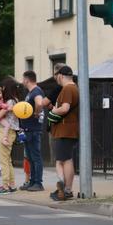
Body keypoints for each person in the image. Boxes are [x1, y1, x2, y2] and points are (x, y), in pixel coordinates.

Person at [48, 65, 79, 201]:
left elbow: (65, 108)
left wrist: (54, 111)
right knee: (66, 159)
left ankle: (64, 188)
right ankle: (66, 188)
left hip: (64, 129)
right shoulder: (75, 88)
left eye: (56, 76)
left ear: (60, 76)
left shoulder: (67, 88)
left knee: (63, 160)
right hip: (69, 129)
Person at [0, 80, 20, 195]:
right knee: (8, 160)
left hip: (6, 132)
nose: (2, 90)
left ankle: (5, 186)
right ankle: (12, 184)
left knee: (3, 160)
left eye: (3, 88)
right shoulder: (15, 100)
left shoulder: (9, 101)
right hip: (11, 131)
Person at [20, 70, 45, 191]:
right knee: (30, 157)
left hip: (33, 130)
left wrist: (36, 112)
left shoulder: (36, 91)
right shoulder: (31, 92)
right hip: (28, 129)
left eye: (23, 79)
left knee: (35, 157)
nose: (22, 81)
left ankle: (38, 183)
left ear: (27, 80)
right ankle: (32, 181)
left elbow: (39, 103)